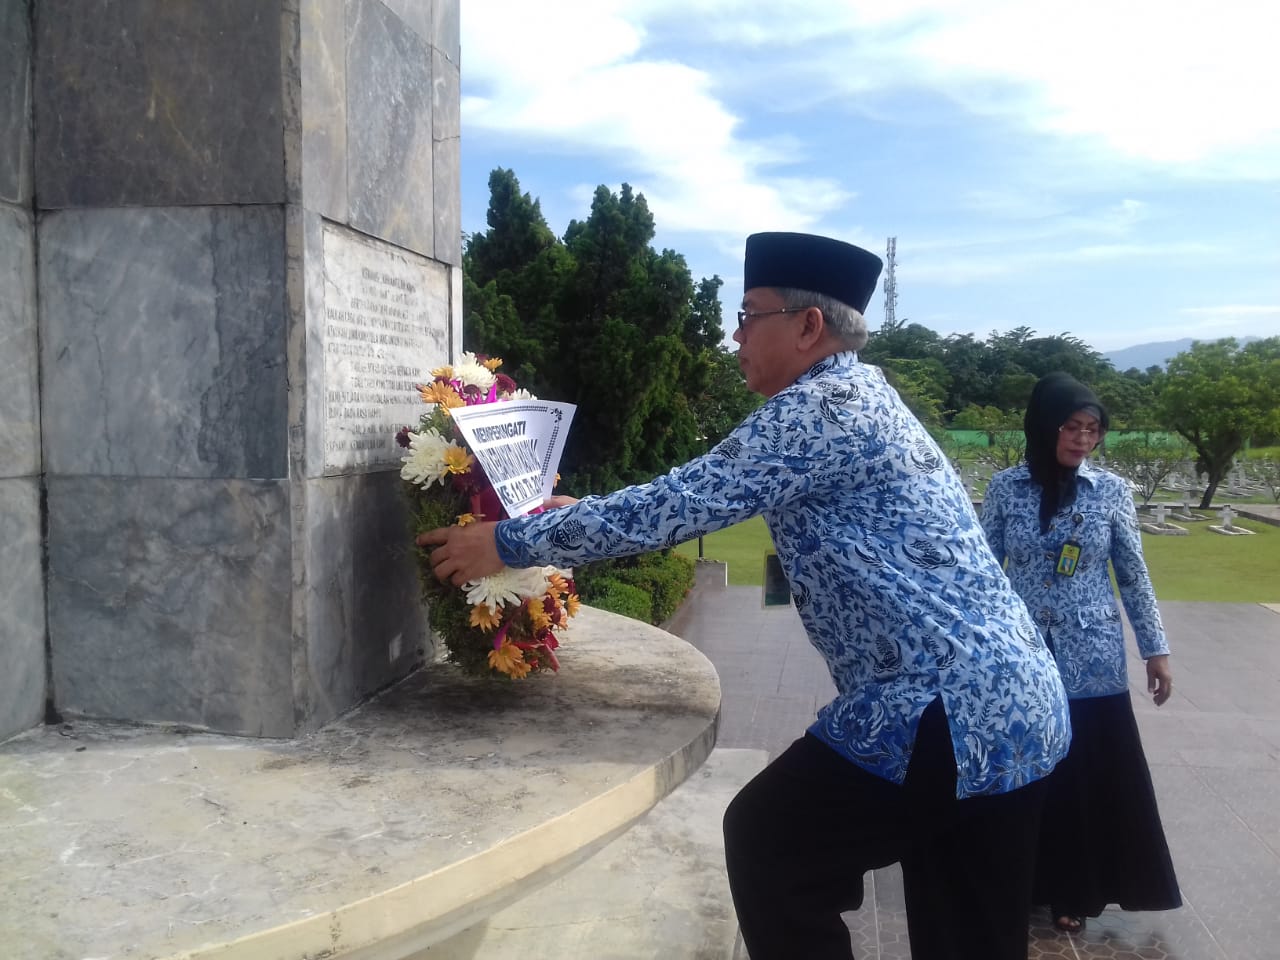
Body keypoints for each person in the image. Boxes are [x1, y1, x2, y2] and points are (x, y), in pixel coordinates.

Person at [419, 232, 1070, 960]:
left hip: (942, 706)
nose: (735, 335)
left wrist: (504, 543)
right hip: (1019, 701)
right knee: (968, 933)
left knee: (772, 843)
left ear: (807, 326)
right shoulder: (858, 394)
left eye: (747, 313)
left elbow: (678, 505)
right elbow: (688, 496)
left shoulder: (821, 410)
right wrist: (564, 519)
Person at [980, 372, 1181, 934]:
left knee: (1084, 778)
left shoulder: (1111, 491)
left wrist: (1156, 650)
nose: (1081, 439)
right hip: (1023, 656)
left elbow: (1133, 574)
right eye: (1072, 426)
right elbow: (981, 569)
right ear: (1046, 426)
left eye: (1092, 430)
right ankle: (1017, 881)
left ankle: (1075, 888)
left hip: (1091, 660)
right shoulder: (1005, 488)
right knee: (1023, 774)